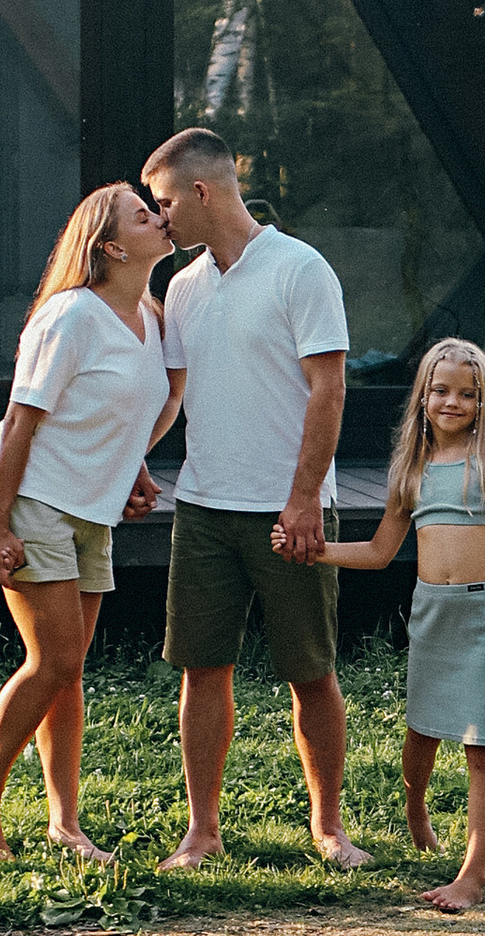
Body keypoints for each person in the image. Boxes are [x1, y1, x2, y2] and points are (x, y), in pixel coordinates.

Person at [140, 124, 360, 870]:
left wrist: (303, 499)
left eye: (165, 202)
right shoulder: (182, 286)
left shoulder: (301, 269)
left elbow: (329, 389)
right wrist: (133, 460)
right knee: (202, 669)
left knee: (310, 671)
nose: (160, 217)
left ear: (202, 191)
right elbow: (173, 394)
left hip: (287, 508)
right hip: (203, 508)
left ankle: (328, 829)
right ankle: (202, 831)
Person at [0, 183, 176, 861]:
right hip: (32, 500)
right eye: (143, 215)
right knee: (52, 660)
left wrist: (131, 468)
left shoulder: (152, 317)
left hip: (91, 509)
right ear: (111, 247)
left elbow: (118, 411)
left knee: (68, 669)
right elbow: (21, 422)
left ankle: (65, 824)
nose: (160, 217)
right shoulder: (71, 315)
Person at [308, 340, 485, 911]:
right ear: (423, 398)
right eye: (440, 391)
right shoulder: (411, 470)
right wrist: (317, 551)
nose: (452, 402)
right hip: (432, 613)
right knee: (421, 733)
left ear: (482, 403)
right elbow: (380, 551)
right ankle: (416, 813)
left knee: (483, 748)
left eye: (466, 394)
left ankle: (472, 875)